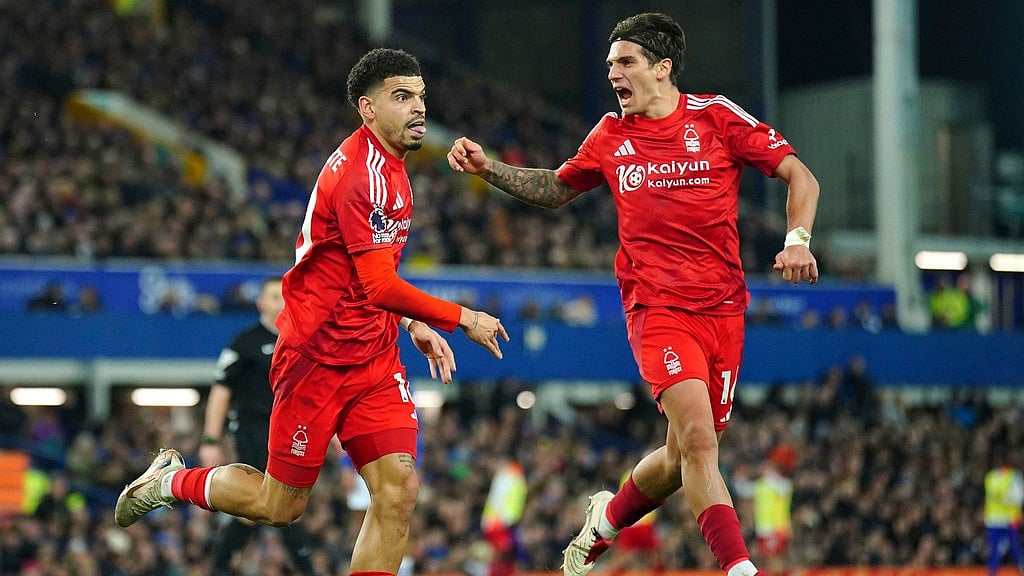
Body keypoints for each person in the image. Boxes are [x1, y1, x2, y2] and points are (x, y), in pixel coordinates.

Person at [448, 12, 819, 576]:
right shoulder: (609, 136)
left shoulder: (716, 118)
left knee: (679, 459)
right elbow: (556, 189)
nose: (612, 72)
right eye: (610, 64)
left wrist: (798, 241)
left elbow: (800, 176)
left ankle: (604, 520)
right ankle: (740, 569)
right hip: (657, 308)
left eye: (625, 62)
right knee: (698, 442)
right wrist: (489, 169)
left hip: (723, 310)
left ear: (662, 68)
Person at [115, 47, 509, 576]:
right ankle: (169, 481)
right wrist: (460, 317)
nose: (418, 108)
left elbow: (367, 279)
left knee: (398, 491)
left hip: (372, 359)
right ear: (368, 109)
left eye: (420, 96)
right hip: (315, 361)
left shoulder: (394, 168)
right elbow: (376, 282)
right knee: (280, 507)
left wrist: (411, 322)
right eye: (402, 97)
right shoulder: (359, 175)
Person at [198, 276, 317, 576]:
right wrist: (211, 440)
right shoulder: (245, 342)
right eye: (273, 296)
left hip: (291, 431)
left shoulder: (300, 339)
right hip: (254, 430)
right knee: (276, 500)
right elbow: (221, 390)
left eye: (284, 296)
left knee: (260, 509)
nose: (280, 302)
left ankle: (218, 568)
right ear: (260, 303)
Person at [984, 451, 1024, 576]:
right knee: (995, 550)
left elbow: (1019, 497)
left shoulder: (1012, 476)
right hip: (995, 519)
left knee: (1014, 547)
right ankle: (992, 573)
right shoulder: (990, 477)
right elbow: (990, 497)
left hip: (1008, 519)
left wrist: (1005, 498)